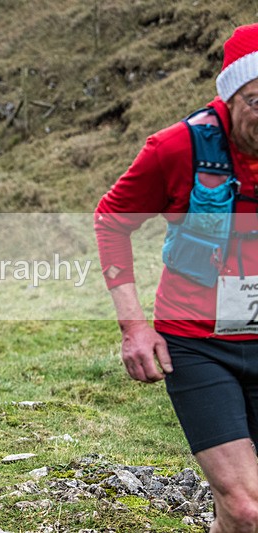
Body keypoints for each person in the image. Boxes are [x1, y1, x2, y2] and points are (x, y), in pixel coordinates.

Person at [95, 24, 258, 532]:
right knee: (246, 505)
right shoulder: (177, 149)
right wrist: (133, 326)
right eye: (257, 101)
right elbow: (111, 220)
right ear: (230, 96)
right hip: (196, 342)